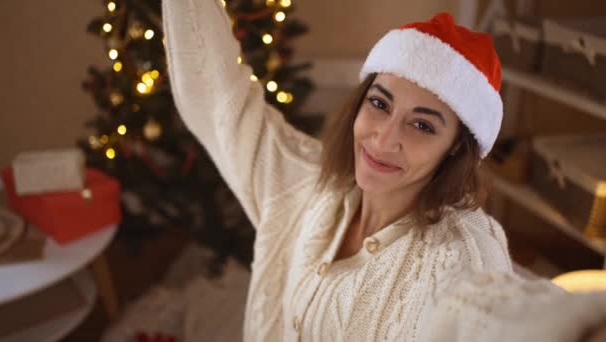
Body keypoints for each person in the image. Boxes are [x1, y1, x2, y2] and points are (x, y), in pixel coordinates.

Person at [161, 0, 606, 341]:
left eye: (421, 125)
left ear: (454, 150)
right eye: (379, 103)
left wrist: (575, 322)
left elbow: (483, 309)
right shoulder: (305, 185)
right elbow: (217, 97)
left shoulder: (461, 248)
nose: (383, 138)